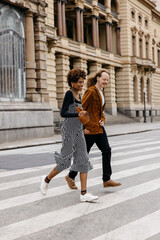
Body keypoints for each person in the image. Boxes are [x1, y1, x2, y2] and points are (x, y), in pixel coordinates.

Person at [40, 68, 99, 202]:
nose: (81, 85)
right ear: (72, 82)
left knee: (83, 160)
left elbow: (80, 114)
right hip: (69, 131)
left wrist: (84, 127)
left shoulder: (80, 95)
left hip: (78, 130)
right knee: (65, 161)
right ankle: (46, 180)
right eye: (79, 82)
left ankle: (84, 194)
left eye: (82, 82)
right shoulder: (69, 94)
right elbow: (63, 113)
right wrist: (77, 114)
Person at [65, 69, 121, 189]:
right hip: (89, 129)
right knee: (83, 155)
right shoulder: (91, 92)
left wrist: (103, 120)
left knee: (107, 150)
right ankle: (70, 176)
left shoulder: (102, 92)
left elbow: (101, 111)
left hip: (99, 128)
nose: (106, 81)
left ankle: (106, 179)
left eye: (107, 80)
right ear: (98, 78)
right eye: (104, 79)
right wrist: (82, 127)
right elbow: (80, 108)